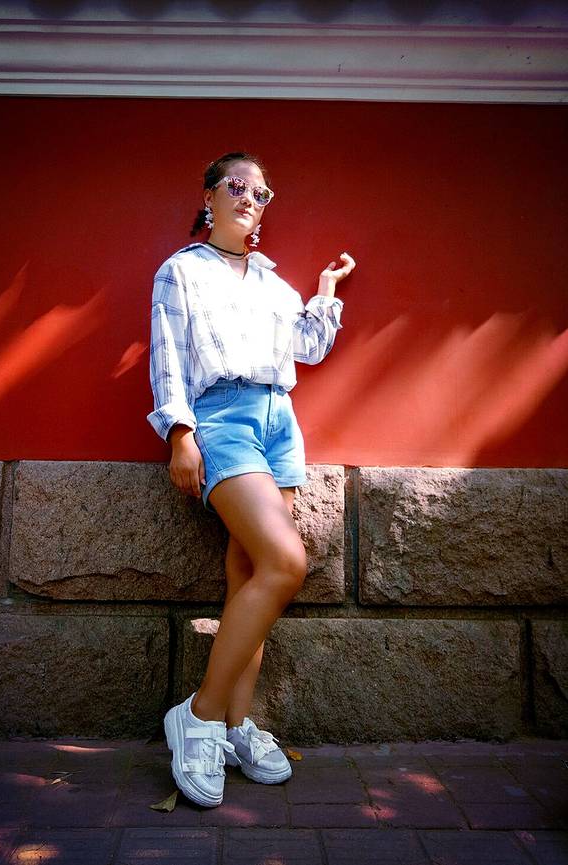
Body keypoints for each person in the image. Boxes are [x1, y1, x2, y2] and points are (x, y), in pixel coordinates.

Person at [147, 151, 355, 808]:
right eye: (237, 185)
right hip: (222, 417)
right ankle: (200, 715)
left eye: (262, 192)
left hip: (279, 423)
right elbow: (167, 354)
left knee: (249, 574)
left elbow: (308, 348)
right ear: (208, 196)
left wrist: (324, 292)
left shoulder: (272, 282)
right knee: (285, 562)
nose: (250, 197)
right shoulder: (181, 270)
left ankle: (237, 724)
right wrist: (179, 433)